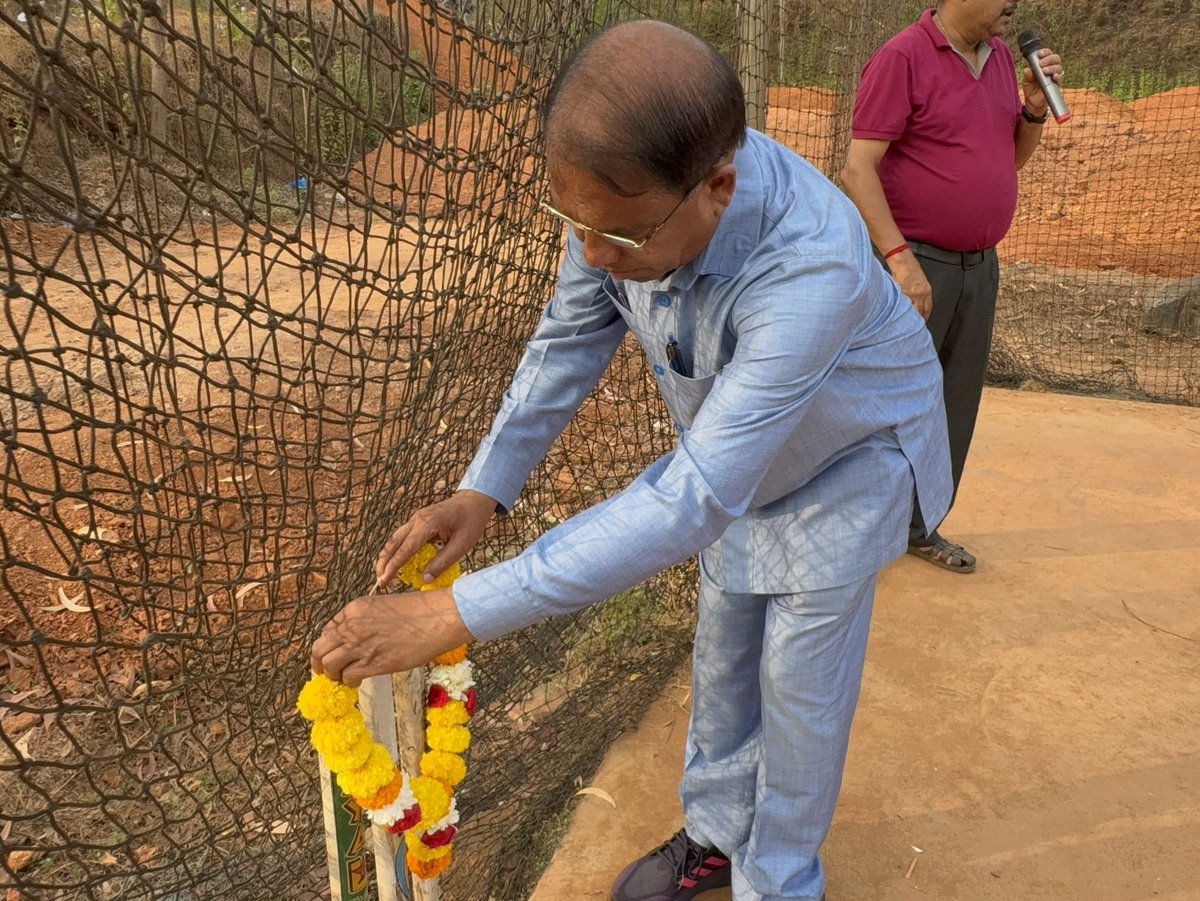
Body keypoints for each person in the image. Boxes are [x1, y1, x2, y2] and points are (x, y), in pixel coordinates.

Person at [312, 20, 952, 901]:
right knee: (725, 652)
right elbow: (570, 335)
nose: (591, 255)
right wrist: (483, 488)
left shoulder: (812, 268)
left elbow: (691, 499)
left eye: (615, 236)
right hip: (739, 459)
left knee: (800, 688)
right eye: (571, 223)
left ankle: (782, 879)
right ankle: (717, 837)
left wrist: (456, 611)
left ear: (717, 187)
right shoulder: (620, 207)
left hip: (847, 457)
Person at [841, 0, 1063, 574]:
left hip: (978, 267)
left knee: (952, 405)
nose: (1014, 5)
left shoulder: (996, 62)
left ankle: (920, 527)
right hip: (917, 268)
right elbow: (858, 169)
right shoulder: (903, 57)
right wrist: (899, 260)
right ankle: (850, 536)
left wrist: (1033, 113)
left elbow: (1006, 161)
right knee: (883, 405)